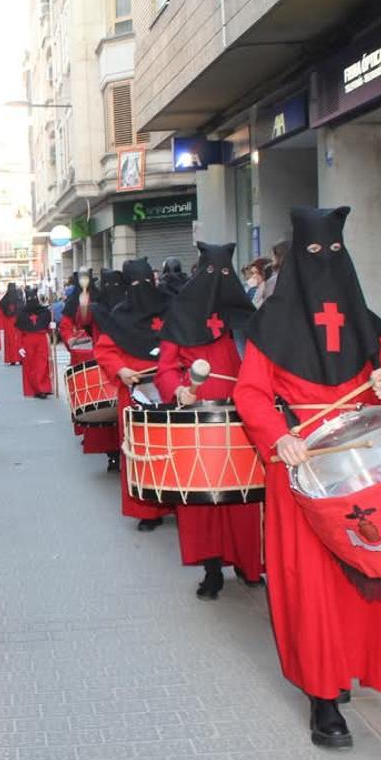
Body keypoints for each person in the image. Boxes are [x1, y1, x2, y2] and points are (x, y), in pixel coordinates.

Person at [234, 207, 381, 750]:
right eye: (312, 255)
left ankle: (349, 665)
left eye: (334, 253)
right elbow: (250, 394)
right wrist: (277, 435)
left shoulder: (364, 320)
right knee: (310, 582)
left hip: (359, 464)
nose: (324, 265)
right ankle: (321, 698)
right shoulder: (271, 324)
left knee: (362, 571)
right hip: (301, 462)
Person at [155, 242, 263, 599]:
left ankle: (249, 565)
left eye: (225, 275)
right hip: (196, 420)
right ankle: (212, 568)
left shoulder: (244, 318)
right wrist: (178, 391)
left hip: (240, 416)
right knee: (204, 500)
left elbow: (261, 364)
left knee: (244, 499)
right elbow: (166, 368)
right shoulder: (181, 314)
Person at [92, 259, 174, 527]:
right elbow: (105, 350)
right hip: (135, 391)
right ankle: (147, 511)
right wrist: (121, 370)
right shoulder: (120, 315)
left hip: (169, 388)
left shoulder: (170, 307)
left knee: (174, 449)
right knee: (140, 452)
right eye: (137, 284)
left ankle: (178, 503)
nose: (143, 290)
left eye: (147, 283)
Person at [60, 269, 121, 467]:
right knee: (103, 410)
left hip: (124, 366)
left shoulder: (128, 308)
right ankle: (111, 454)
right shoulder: (97, 307)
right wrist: (84, 305)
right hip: (101, 362)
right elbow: (82, 319)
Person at [16, 287, 53, 398]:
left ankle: (43, 388)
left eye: (33, 298)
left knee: (42, 364)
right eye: (29, 298)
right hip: (28, 341)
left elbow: (48, 327)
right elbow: (19, 332)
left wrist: (52, 327)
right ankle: (36, 389)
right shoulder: (22, 314)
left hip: (41, 340)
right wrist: (20, 346)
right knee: (31, 366)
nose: (32, 300)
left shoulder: (44, 312)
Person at [0, 283, 24, 365]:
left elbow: (1, 306)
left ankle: (13, 359)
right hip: (15, 320)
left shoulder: (5, 299)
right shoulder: (19, 298)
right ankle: (19, 358)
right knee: (17, 339)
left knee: (11, 339)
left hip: (10, 321)